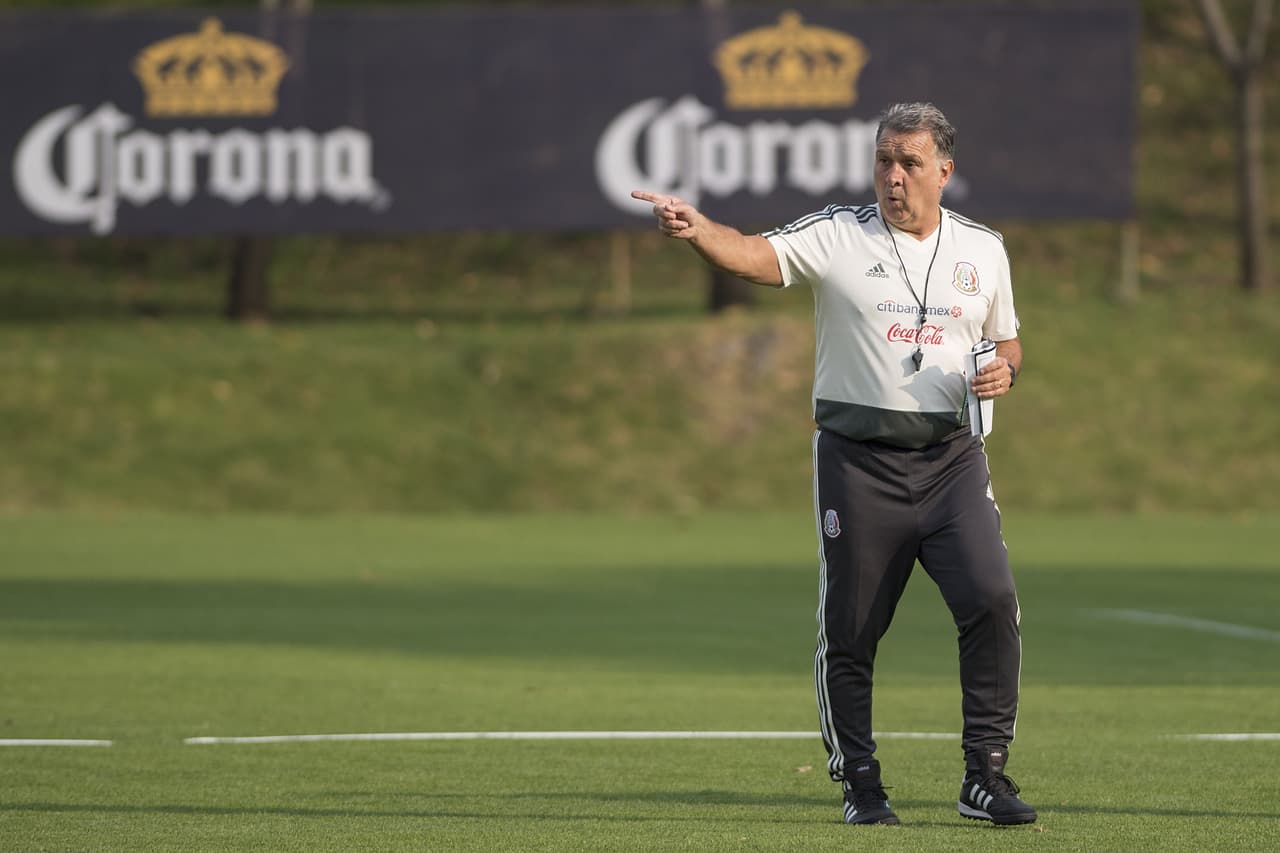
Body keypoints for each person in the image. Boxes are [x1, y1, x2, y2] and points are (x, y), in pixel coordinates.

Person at [632, 102, 1036, 827]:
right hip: (858, 464)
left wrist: (1004, 370)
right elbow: (757, 255)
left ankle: (985, 776)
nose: (893, 175)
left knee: (992, 600)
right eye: (884, 159)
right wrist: (700, 232)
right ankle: (861, 781)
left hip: (952, 462)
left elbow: (1006, 342)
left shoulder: (984, 249)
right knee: (850, 630)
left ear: (944, 170)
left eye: (910, 162)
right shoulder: (839, 233)